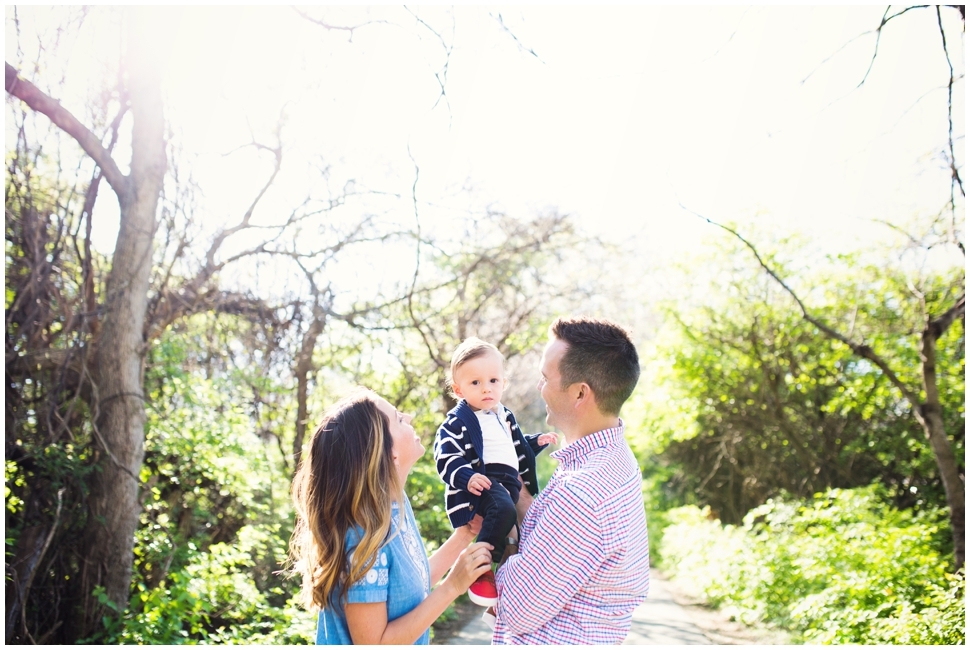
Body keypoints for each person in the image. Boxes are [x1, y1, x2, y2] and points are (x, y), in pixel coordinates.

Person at [288, 389, 494, 645]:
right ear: (390, 455)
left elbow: (408, 590)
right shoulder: (363, 536)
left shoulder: (394, 505)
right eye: (397, 418)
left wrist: (463, 536)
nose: (407, 417)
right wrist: (452, 587)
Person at [491, 317, 651, 645]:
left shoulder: (583, 494)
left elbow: (516, 609)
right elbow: (564, 538)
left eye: (545, 378)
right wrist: (518, 494)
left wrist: (505, 537)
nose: (540, 387)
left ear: (580, 393)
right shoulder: (615, 459)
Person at [433, 338, 558, 607]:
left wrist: (535, 442)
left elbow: (513, 447)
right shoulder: (457, 422)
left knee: (516, 537)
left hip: (508, 483)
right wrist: (467, 477)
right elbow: (446, 455)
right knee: (504, 511)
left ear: (503, 383)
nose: (486, 389)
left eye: (493, 381)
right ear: (458, 389)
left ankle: (505, 596)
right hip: (483, 483)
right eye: (475, 383)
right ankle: (481, 570)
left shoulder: (503, 415)